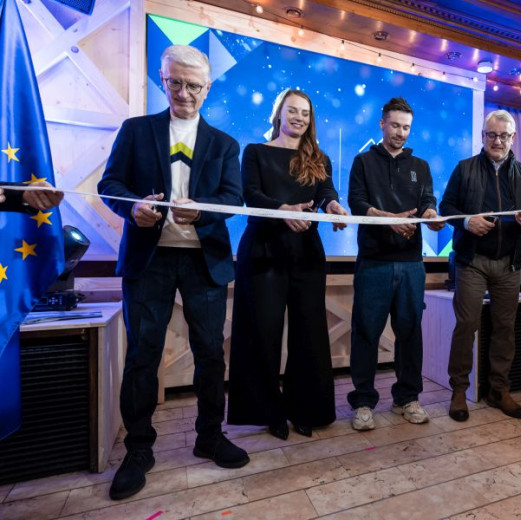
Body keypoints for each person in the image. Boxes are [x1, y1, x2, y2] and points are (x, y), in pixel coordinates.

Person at [97, 45, 248, 501]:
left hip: (205, 261)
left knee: (210, 354)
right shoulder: (136, 130)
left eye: (193, 85)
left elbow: (233, 199)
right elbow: (111, 186)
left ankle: (209, 436)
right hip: (149, 260)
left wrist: (201, 211)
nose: (184, 93)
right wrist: (134, 206)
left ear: (208, 88)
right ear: (162, 80)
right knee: (143, 355)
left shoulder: (225, 144)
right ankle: (138, 449)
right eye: (175, 82)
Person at [227, 89, 347, 440]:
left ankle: (304, 408)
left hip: (306, 252)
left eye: (305, 113)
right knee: (261, 333)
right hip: (264, 251)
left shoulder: (319, 158)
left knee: (308, 333)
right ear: (278, 113)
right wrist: (283, 212)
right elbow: (250, 194)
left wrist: (335, 207)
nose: (299, 118)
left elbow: (327, 194)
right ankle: (269, 413)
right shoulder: (255, 152)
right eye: (292, 111)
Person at [346, 97, 444, 431]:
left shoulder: (422, 166)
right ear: (382, 123)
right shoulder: (362, 162)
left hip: (412, 264)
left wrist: (432, 216)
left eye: (406, 127)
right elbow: (357, 203)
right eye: (395, 125)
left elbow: (428, 203)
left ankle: (407, 397)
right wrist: (387, 220)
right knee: (366, 333)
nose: (401, 132)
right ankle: (362, 401)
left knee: (410, 333)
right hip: (373, 262)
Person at [440, 109, 521, 422]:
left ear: (513, 138)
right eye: (491, 135)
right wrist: (467, 221)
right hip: (472, 261)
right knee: (467, 325)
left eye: (504, 135)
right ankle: (459, 390)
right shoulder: (464, 168)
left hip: (509, 264)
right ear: (483, 137)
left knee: (505, 329)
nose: (497, 141)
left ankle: (500, 390)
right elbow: (446, 207)